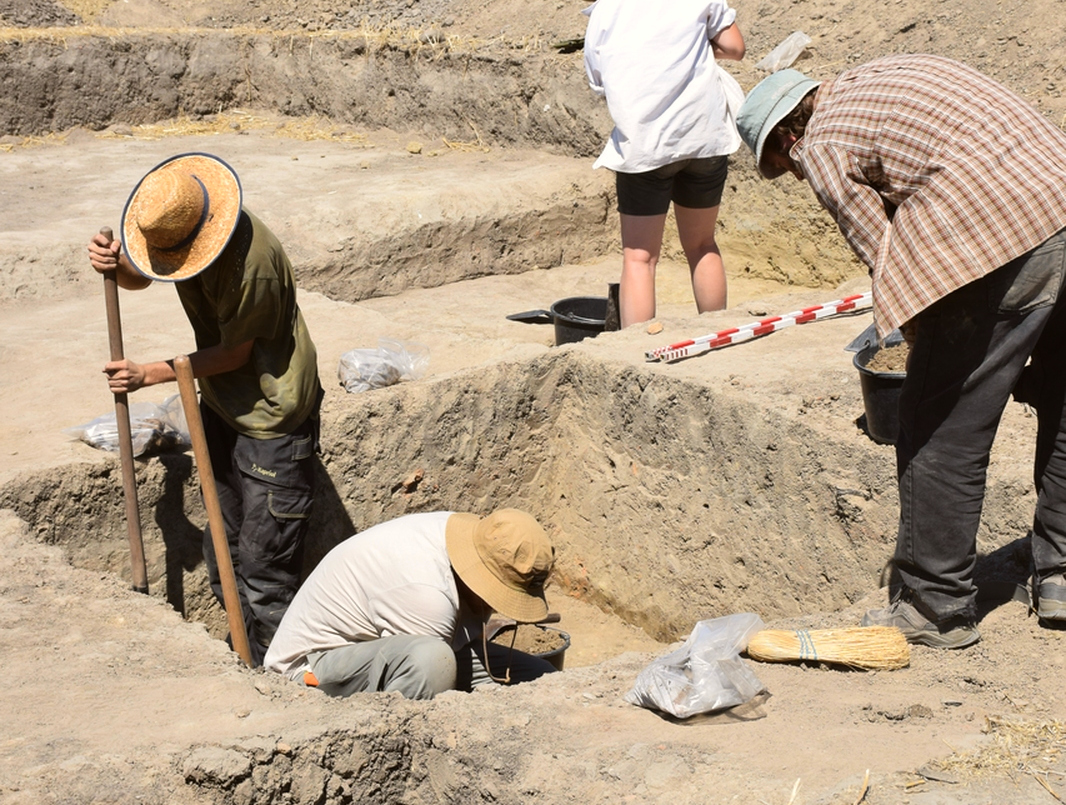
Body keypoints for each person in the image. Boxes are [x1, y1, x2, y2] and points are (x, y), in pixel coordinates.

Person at [736, 55, 1066, 648]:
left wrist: (921, 339)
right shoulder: (889, 75)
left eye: (783, 166)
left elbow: (880, 248)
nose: (794, 174)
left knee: (938, 426)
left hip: (1002, 233)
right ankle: (1062, 574)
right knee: (1064, 394)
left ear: (788, 134)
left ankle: (933, 606)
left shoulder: (822, 142)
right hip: (1059, 190)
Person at [87, 152, 324, 666]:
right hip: (220, 403)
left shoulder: (251, 264)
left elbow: (237, 353)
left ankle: (286, 677)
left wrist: (152, 371)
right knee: (225, 554)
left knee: (265, 571)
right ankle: (245, 662)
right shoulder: (184, 231)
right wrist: (119, 265)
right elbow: (145, 274)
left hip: (270, 416)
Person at [263, 509, 559, 700]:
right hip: (309, 669)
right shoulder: (427, 595)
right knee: (433, 662)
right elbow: (437, 676)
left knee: (541, 678)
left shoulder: (472, 539)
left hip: (384, 648)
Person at [583, 0, 746, 328]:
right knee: (702, 245)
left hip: (646, 145)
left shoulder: (607, 10)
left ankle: (637, 350)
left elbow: (598, 80)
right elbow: (734, 47)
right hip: (704, 137)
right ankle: (716, 336)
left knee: (639, 258)